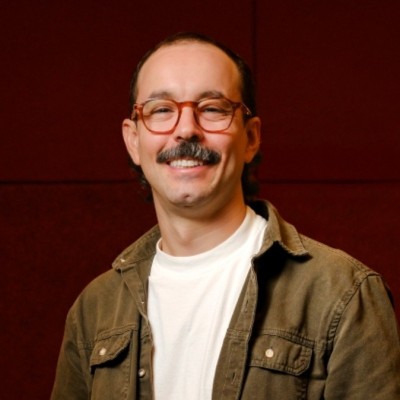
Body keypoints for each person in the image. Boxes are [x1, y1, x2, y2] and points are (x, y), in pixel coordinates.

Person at [51, 32, 400, 400]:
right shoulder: (94, 309)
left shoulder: (342, 293)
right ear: (133, 141)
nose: (186, 129)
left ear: (250, 138)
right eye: (161, 110)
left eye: (213, 108)